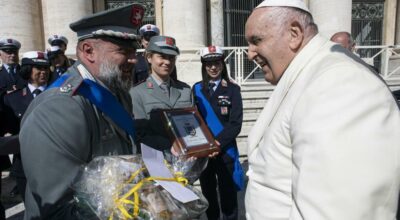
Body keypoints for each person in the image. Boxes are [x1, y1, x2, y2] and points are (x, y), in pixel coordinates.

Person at [244, 0, 400, 219]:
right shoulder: (305, 74)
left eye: (256, 41)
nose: (250, 54)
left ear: (294, 34)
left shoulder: (340, 84)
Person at [19, 4, 145, 219]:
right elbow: (58, 208)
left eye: (134, 51)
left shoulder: (118, 92)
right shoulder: (60, 107)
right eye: (123, 51)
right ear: (88, 51)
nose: (134, 60)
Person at [192, 46, 244, 220]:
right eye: (209, 63)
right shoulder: (196, 89)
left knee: (228, 196)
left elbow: (235, 123)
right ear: (204, 66)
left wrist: (217, 143)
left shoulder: (233, 90)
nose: (213, 67)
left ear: (222, 64)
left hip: (225, 150)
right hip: (204, 153)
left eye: (216, 63)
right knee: (208, 194)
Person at [130, 35, 192, 152]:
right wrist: (171, 146)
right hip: (156, 161)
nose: (167, 62)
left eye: (171, 57)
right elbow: (140, 134)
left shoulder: (185, 90)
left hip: (188, 158)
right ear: (149, 57)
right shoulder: (137, 93)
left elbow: (192, 125)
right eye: (162, 57)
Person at [3, 51, 51, 202]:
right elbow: (8, 128)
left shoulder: (59, 94)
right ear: (27, 70)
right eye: (38, 68)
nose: (43, 72)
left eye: (45, 68)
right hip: (24, 164)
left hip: (53, 162)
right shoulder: (12, 98)